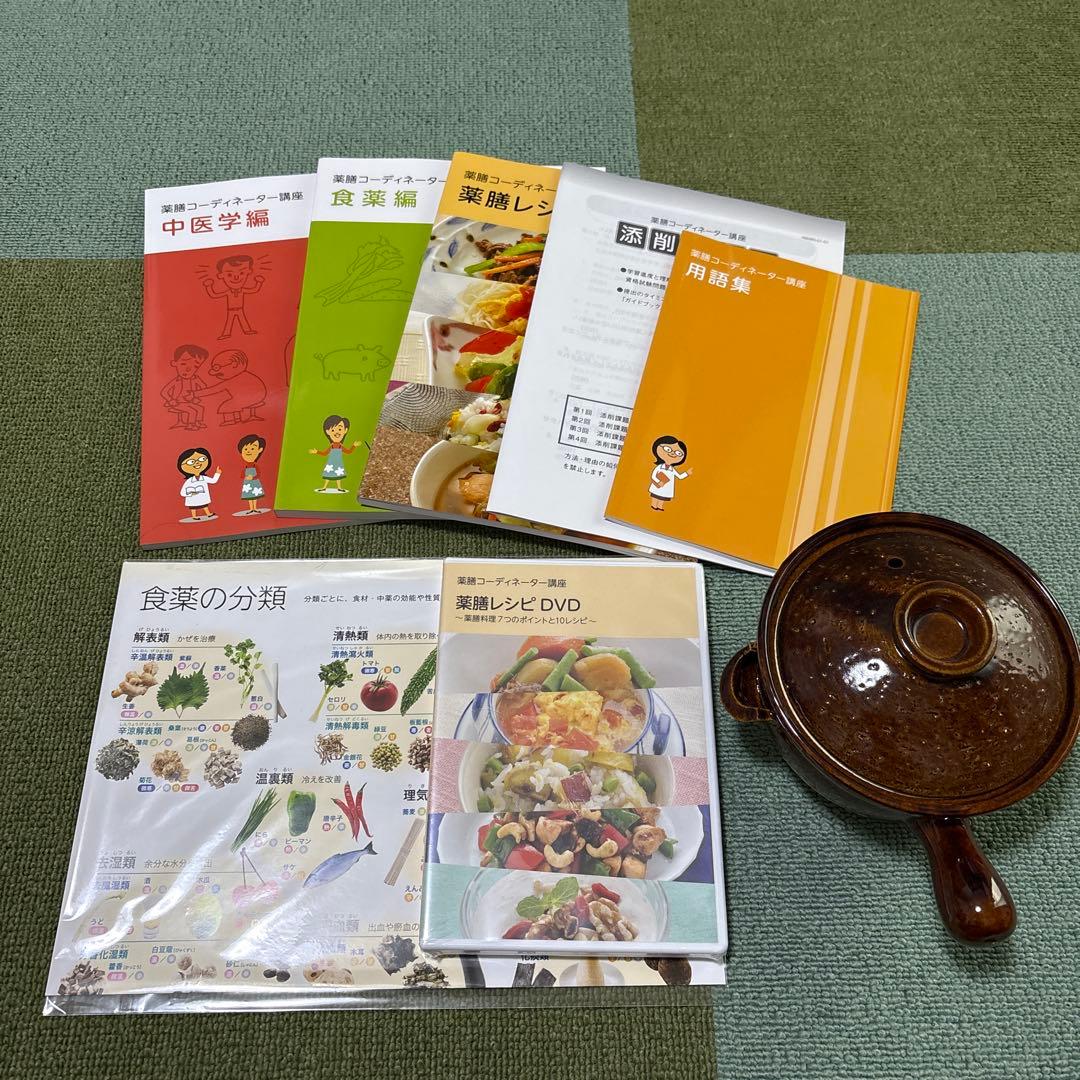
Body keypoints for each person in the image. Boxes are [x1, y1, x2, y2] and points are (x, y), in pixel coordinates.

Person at [202, 253, 264, 338]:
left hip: (240, 309)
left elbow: (254, 289)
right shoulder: (228, 292)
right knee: (229, 321)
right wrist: (208, 286)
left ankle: (247, 330)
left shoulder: (242, 290)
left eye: (242, 273)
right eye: (229, 275)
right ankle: (226, 334)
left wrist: (259, 282)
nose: (236, 277)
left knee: (243, 320)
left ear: (249, 272)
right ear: (221, 276)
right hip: (231, 310)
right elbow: (214, 295)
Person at [161, 344, 209, 430]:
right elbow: (164, 392)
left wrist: (196, 397)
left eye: (195, 366)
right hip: (178, 402)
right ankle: (190, 425)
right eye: (183, 364)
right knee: (192, 411)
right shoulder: (176, 381)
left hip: (189, 401)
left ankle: (198, 422)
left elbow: (204, 387)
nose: (188, 369)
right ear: (174, 363)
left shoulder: (195, 379)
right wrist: (171, 400)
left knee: (200, 408)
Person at [308, 415, 361, 493]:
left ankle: (339, 487)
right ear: (328, 432)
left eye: (340, 429)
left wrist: (354, 446)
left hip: (338, 463)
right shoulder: (332, 446)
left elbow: (348, 452)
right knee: (328, 474)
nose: (337, 432)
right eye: (333, 430)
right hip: (331, 463)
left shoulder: (340, 446)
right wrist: (317, 452)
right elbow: (324, 453)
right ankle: (324, 487)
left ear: (345, 430)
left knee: (338, 476)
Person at [649, 435, 692, 511]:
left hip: (667, 487)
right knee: (655, 496)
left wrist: (687, 473)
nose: (672, 454)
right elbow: (653, 475)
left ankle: (660, 506)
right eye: (668, 449)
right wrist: (658, 482)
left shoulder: (672, 470)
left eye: (678, 453)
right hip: (658, 485)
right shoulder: (659, 467)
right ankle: (653, 505)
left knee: (663, 498)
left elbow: (679, 476)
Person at [178, 447, 222, 521]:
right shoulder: (189, 481)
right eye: (191, 462)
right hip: (192, 497)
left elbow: (213, 481)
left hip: (203, 497)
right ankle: (194, 516)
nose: (197, 463)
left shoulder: (204, 478)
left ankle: (208, 514)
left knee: (205, 505)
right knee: (193, 507)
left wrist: (217, 473)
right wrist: (190, 493)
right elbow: (182, 493)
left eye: (202, 459)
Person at [236, 434, 267, 515]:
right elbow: (242, 475)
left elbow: (258, 474)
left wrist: (252, 477)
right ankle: (251, 509)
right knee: (249, 497)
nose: (248, 451)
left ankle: (255, 508)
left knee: (255, 497)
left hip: (255, 483)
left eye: (252, 448)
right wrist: (245, 477)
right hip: (247, 484)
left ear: (259, 450)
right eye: (245, 449)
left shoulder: (255, 465)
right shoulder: (246, 466)